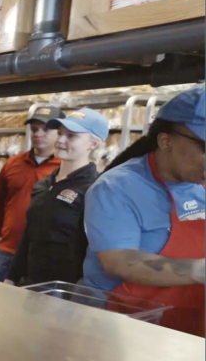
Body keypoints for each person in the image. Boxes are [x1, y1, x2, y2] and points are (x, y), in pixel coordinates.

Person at [81, 87, 205, 337]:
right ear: (166, 141)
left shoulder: (200, 183)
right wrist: (199, 270)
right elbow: (119, 262)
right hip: (124, 325)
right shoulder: (117, 187)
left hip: (186, 324)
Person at [4, 108, 107, 286]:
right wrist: (11, 277)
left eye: (71, 136)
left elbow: (94, 251)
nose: (60, 140)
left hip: (65, 292)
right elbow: (30, 235)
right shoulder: (44, 184)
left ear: (93, 144)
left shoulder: (94, 189)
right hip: (31, 286)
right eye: (60, 133)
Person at [0, 107, 64, 281]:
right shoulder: (13, 164)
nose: (38, 134)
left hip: (40, 254)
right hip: (6, 249)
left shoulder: (65, 169)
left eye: (46, 129)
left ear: (60, 133)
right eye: (34, 129)